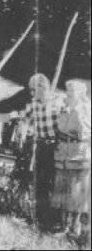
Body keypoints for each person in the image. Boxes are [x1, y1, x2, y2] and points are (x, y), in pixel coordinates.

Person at [15, 73, 65, 230]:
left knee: (55, 183)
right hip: (42, 147)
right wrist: (18, 123)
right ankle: (41, 221)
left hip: (57, 147)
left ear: (43, 88)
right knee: (40, 183)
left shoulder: (59, 102)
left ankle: (56, 222)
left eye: (33, 90)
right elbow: (23, 117)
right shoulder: (34, 104)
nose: (31, 94)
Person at [51, 80, 91, 238]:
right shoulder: (65, 109)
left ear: (80, 94)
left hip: (79, 155)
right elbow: (59, 129)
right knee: (61, 189)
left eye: (71, 93)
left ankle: (76, 228)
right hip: (63, 154)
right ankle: (63, 226)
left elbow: (85, 133)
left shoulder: (87, 110)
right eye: (67, 92)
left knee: (76, 192)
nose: (67, 95)